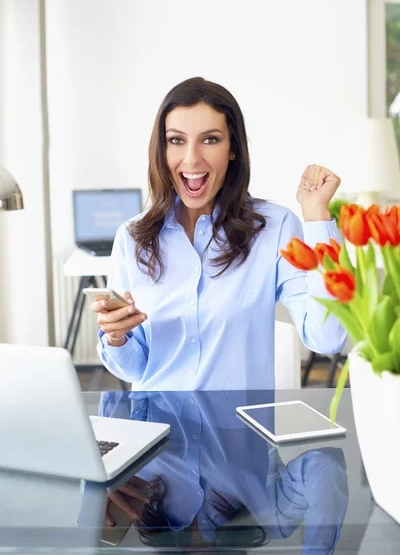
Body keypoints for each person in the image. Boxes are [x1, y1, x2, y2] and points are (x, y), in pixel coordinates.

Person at [92, 76, 347, 390]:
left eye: (210, 139)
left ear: (233, 150)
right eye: (176, 140)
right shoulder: (132, 237)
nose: (192, 158)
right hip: (159, 430)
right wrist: (116, 337)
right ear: (162, 148)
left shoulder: (275, 228)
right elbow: (134, 369)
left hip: (240, 434)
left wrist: (317, 214)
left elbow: (329, 337)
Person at [97, 390, 349, 553]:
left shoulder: (142, 506)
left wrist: (104, 469)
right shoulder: (267, 520)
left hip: (164, 350)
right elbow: (324, 466)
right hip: (234, 361)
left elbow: (115, 397)